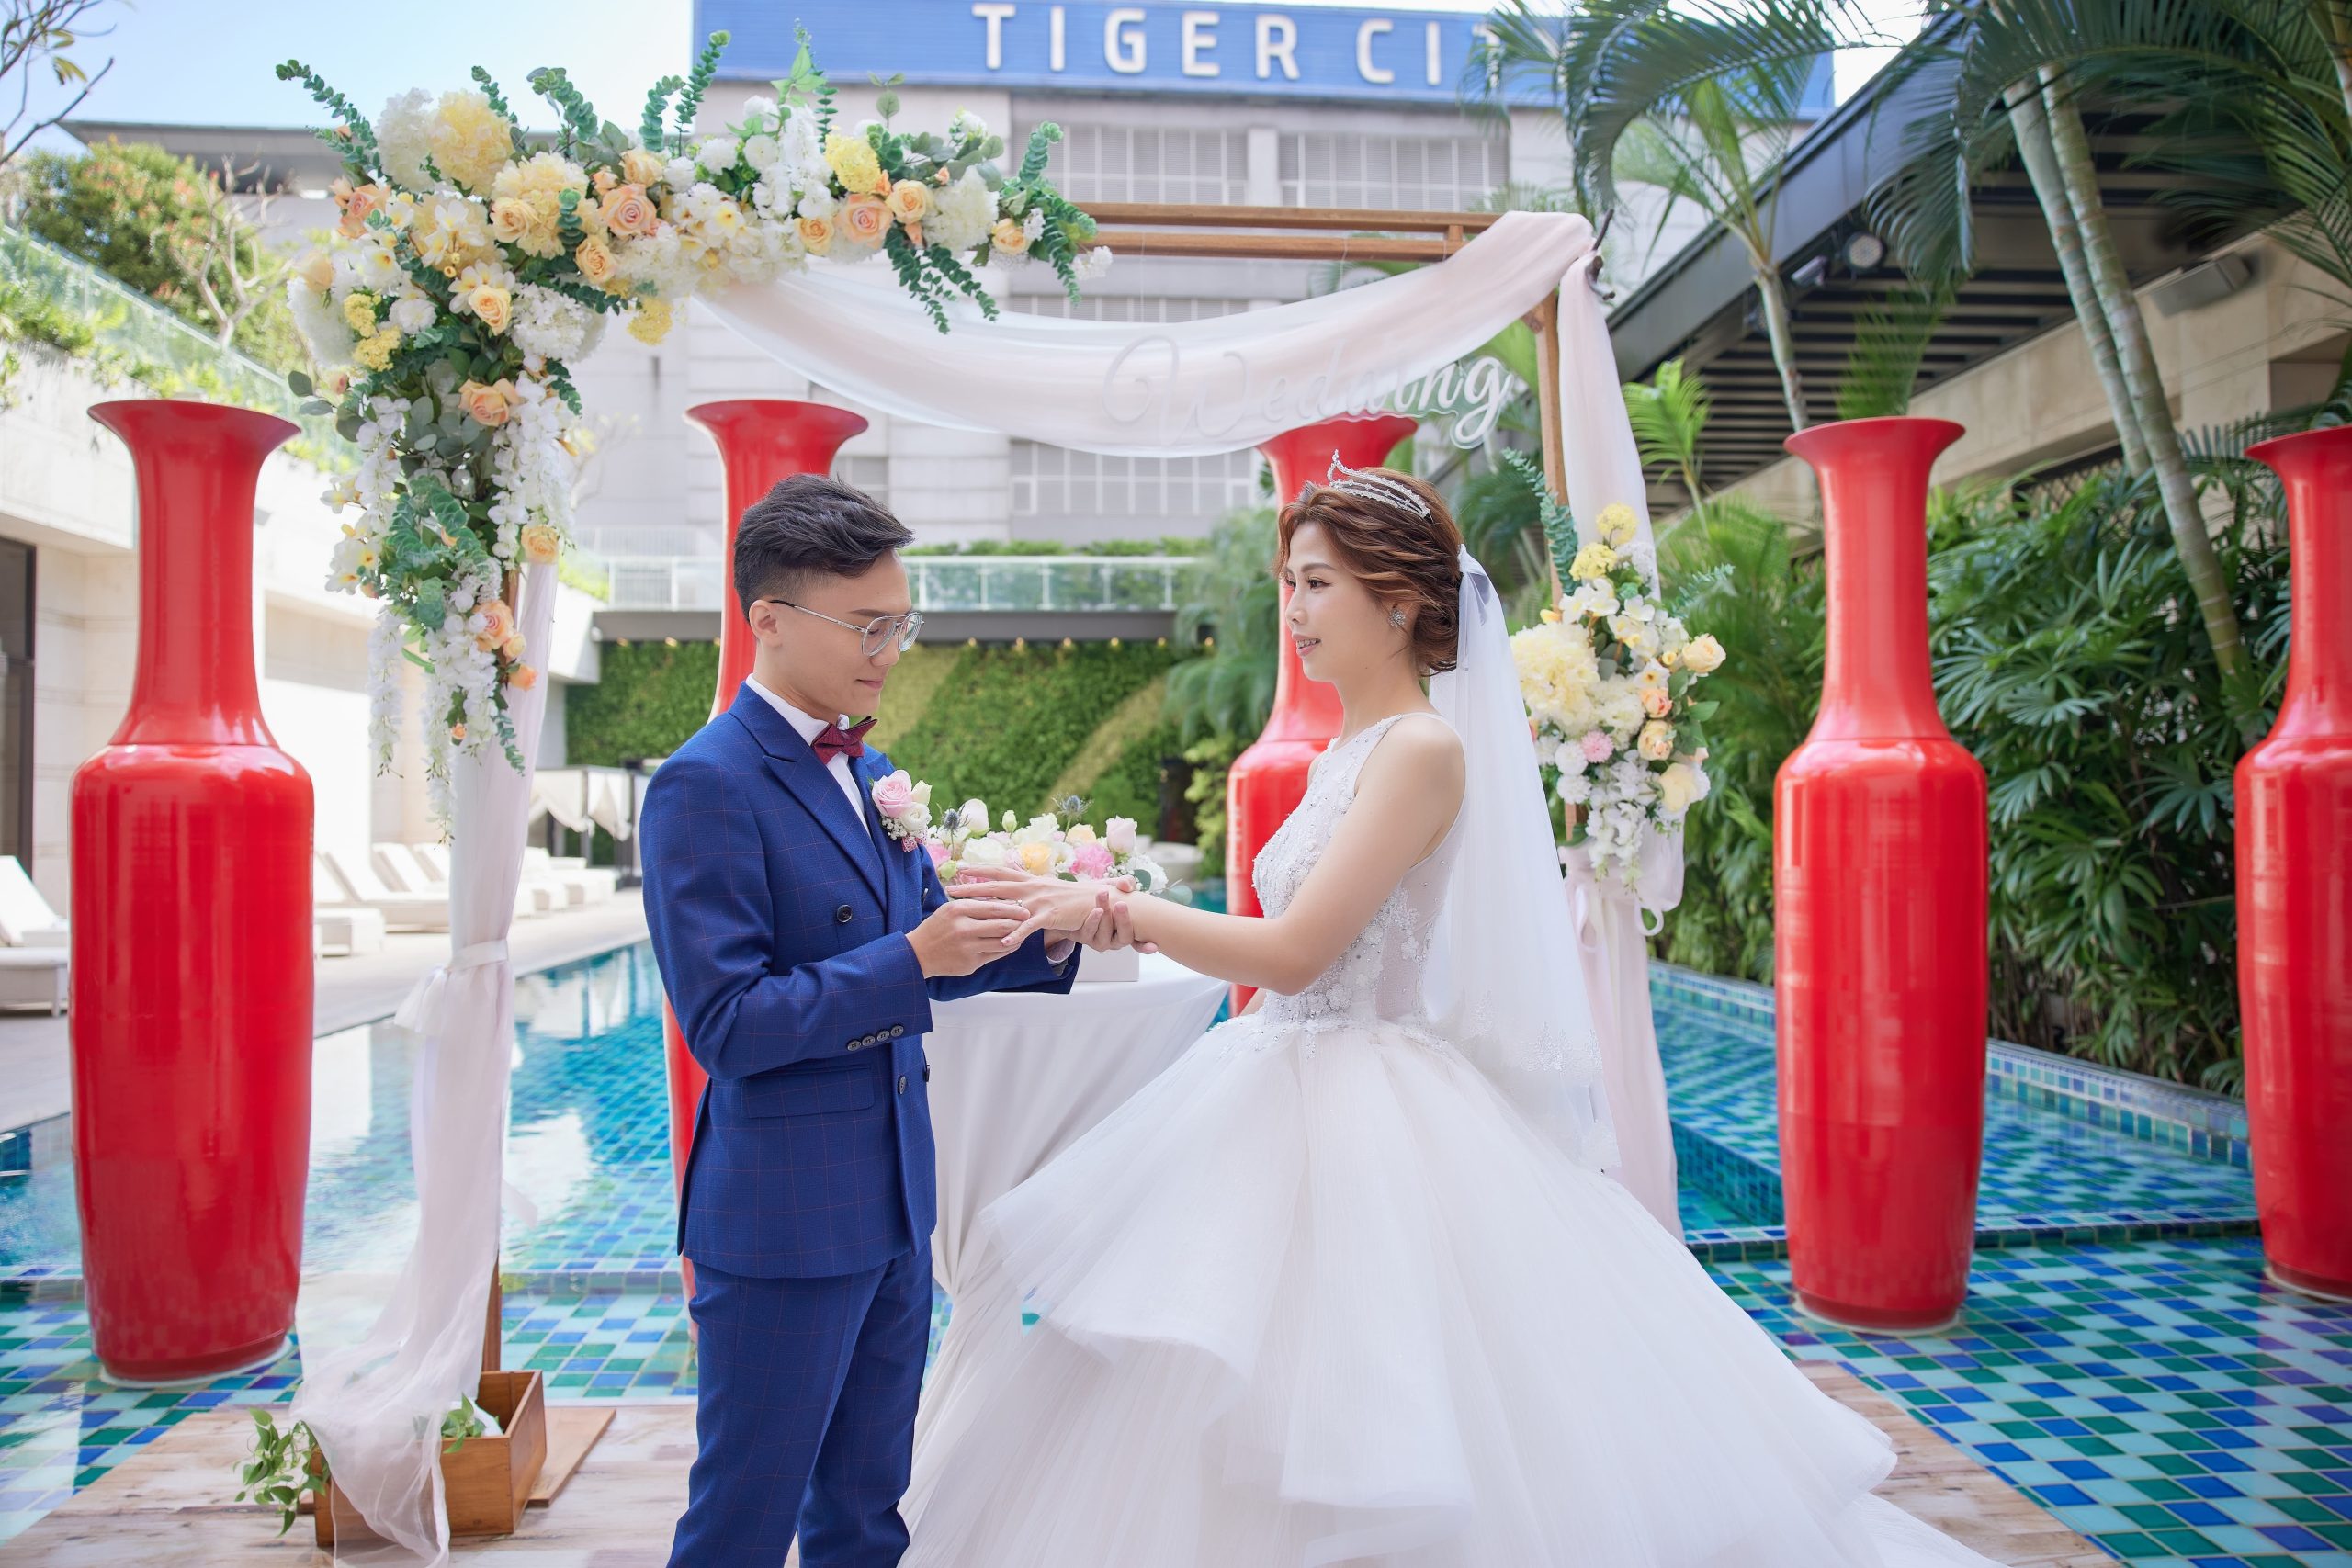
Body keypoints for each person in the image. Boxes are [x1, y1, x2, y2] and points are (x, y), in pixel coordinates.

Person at [914, 457, 2006, 1567]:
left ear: (1398, 603)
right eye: (1289, 585)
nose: (1293, 611)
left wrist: (1119, 911)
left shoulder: (1424, 751)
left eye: (1317, 585)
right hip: (1281, 1072)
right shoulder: (1346, 752)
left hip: (1361, 1092)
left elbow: (1296, 953)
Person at [637, 475, 1138, 1568]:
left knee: (867, 1517)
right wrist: (911, 959)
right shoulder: (703, 785)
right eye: (866, 625)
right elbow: (727, 1025)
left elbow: (927, 959)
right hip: (782, 1225)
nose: (889, 651)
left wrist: (1055, 938)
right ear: (769, 619)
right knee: (740, 1523)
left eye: (898, 624)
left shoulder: (869, 770)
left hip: (895, 1204)